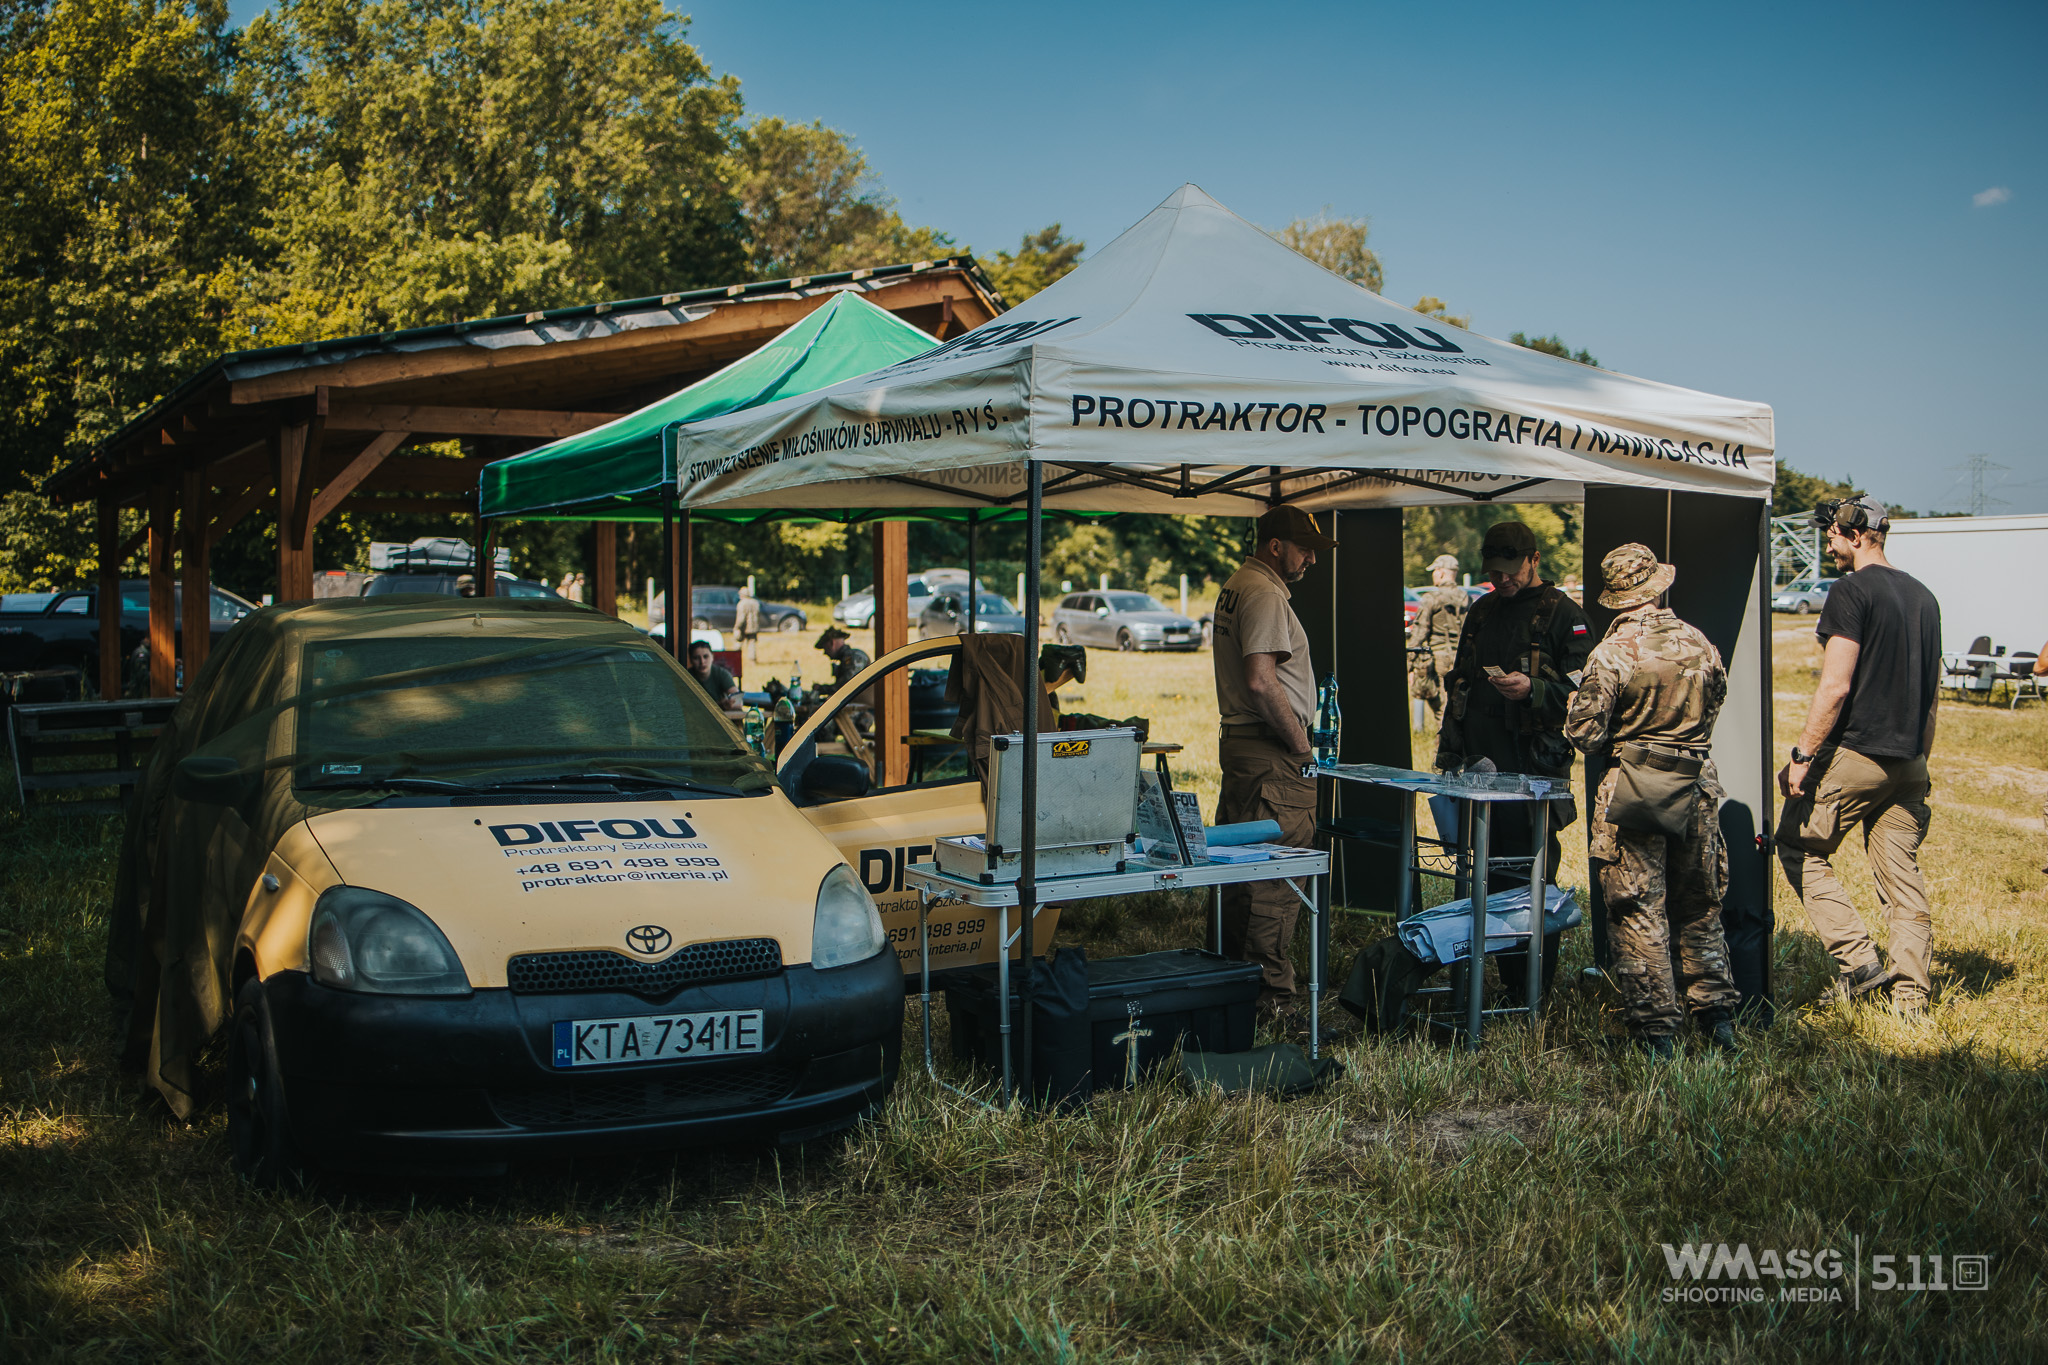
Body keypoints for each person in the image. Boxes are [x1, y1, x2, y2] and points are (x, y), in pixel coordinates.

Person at [1566, 543, 1740, 1059]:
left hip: (1636, 785)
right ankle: (1716, 1018)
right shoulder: (1700, 642)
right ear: (1658, 586)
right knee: (1700, 903)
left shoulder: (1611, 653)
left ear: (1616, 597)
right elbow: (1717, 700)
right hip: (1697, 782)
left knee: (1637, 907)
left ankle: (1656, 1031)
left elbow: (1585, 734)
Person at [1776, 494, 1941, 1013]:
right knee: (1901, 877)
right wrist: (1920, 760)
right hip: (1910, 763)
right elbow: (1932, 696)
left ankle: (1861, 965)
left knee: (1798, 846)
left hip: (1859, 754)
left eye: (1832, 536)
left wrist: (1803, 755)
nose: (1828, 546)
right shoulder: (1924, 597)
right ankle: (1911, 996)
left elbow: (1835, 685)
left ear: (1855, 534)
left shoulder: (1849, 591)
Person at [1435, 520, 1592, 990]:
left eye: (1510, 570)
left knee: (1532, 876)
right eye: (1493, 571)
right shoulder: (1482, 610)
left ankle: (1531, 986)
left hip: (1533, 771)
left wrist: (1535, 690)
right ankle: (1500, 979)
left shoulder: (1564, 615)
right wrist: (1450, 755)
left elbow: (1587, 697)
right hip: (1480, 770)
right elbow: (1459, 684)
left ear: (1534, 559)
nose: (1501, 579)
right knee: (1486, 872)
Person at [1212, 505, 1336, 1027]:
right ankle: (1272, 1004)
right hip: (1271, 754)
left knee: (1241, 872)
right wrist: (1302, 748)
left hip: (1247, 749)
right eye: (1304, 549)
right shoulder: (1263, 593)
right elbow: (1262, 682)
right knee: (1275, 878)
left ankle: (1231, 987)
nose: (1311, 559)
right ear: (1275, 546)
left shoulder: (1239, 584)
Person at [1408, 553, 1469, 727]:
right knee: (1459, 707)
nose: (1433, 575)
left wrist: (1409, 665)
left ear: (1441, 572)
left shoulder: (1432, 599)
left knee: (1443, 710)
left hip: (1438, 660)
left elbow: (1419, 633)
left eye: (1434, 571)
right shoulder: (1467, 599)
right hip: (1463, 659)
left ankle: (1442, 742)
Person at [685, 640, 741, 712]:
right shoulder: (686, 676)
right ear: (690, 660)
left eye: (706, 656)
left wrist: (730, 703)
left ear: (712, 657)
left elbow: (738, 701)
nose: (702, 662)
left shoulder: (722, 674)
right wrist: (719, 705)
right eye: (696, 658)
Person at [816, 626, 871, 691]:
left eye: (825, 648)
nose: (825, 653)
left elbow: (846, 686)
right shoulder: (847, 658)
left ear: (832, 643)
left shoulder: (853, 657)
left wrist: (821, 688)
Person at [735, 585, 764, 663]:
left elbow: (741, 618)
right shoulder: (755, 603)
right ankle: (752, 660)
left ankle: (734, 658)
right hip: (754, 627)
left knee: (738, 642)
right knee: (752, 643)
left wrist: (737, 627)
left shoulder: (741, 604)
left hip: (744, 627)